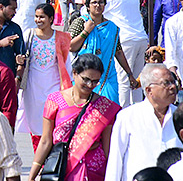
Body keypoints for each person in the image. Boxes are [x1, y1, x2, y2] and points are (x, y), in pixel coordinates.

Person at [27, 53, 121, 181]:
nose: (90, 85)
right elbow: (45, 141)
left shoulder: (104, 107)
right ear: (75, 73)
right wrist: (32, 175)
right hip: (62, 167)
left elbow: (107, 147)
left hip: (93, 169)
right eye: (86, 79)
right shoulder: (55, 100)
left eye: (95, 81)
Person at [105, 64, 182, 181]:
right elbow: (116, 159)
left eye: (173, 82)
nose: (172, 87)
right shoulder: (128, 116)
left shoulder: (181, 116)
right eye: (166, 83)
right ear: (149, 90)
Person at [68, 0, 134, 104]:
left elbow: (118, 51)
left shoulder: (112, 27)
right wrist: (86, 31)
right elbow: (70, 47)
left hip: (107, 75)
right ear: (88, 6)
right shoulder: (80, 22)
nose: (98, 5)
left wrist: (129, 74)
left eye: (101, 2)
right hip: (85, 74)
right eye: (94, 2)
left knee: (110, 107)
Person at [18, 2, 72, 145]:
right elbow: (21, 56)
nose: (38, 20)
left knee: (53, 120)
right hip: (33, 86)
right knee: (35, 122)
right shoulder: (29, 35)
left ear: (50, 19)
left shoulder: (61, 37)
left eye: (42, 17)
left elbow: (67, 64)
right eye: (36, 17)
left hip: (53, 85)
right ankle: (38, 156)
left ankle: (49, 156)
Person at [100, 0, 150, 105]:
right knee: (137, 80)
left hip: (126, 40)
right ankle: (138, 114)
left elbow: (99, 13)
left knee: (124, 80)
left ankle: (123, 114)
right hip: (140, 38)